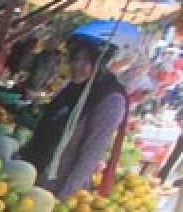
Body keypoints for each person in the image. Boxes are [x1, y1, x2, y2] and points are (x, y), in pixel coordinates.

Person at [22, 21, 141, 198]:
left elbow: (91, 154)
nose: (77, 66)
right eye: (75, 58)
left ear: (105, 63)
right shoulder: (73, 87)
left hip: (56, 190)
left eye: (87, 60)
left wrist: (64, 197)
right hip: (34, 178)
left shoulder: (110, 99)